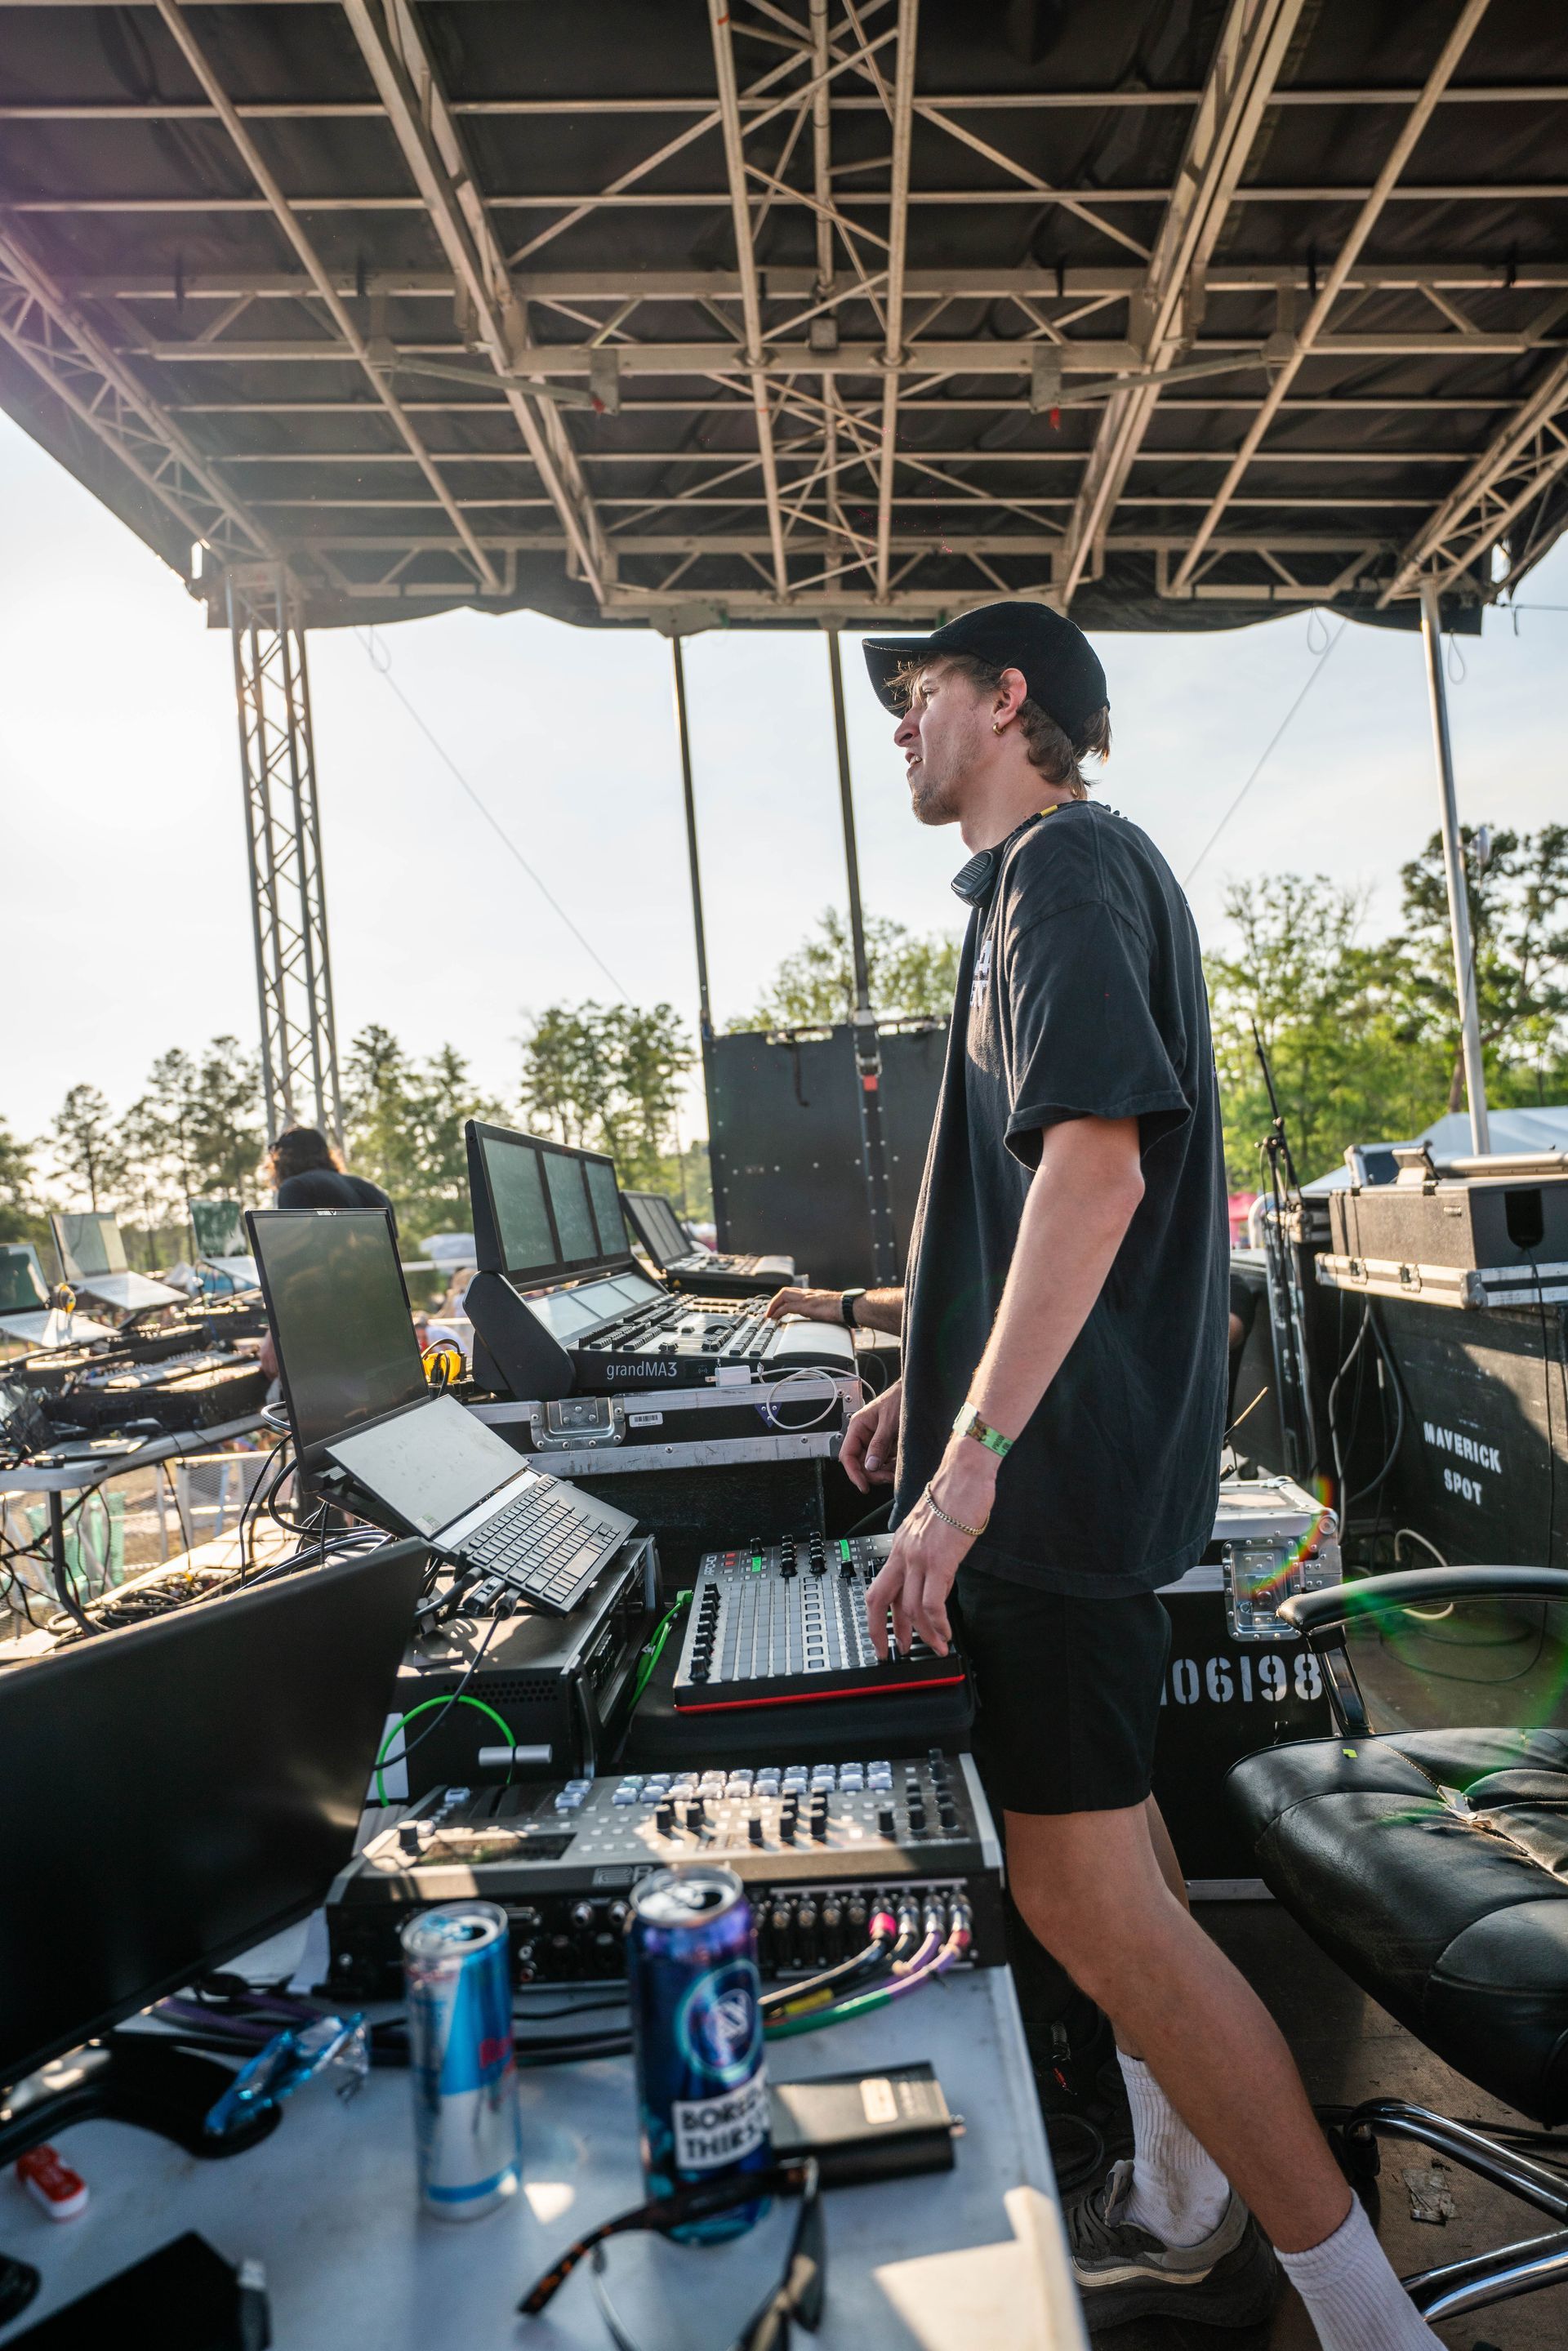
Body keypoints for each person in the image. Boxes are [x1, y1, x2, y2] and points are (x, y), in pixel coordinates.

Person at [836, 603, 1442, 2350]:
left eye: (919, 692)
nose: (899, 727)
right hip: (1078, 1471)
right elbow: (1043, 1214)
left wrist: (964, 1471)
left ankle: (1362, 2310)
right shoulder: (1057, 883)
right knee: (1116, 1854)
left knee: (1079, 1891)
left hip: (1061, 1492)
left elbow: (1093, 1175)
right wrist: (922, 1384)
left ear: (1008, 695)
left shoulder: (1065, 869)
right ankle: (1184, 2188)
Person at [266, 1128, 395, 1228]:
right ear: (327, 1154)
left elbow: (298, 1249)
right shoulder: (374, 1190)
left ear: (283, 1159)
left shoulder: (295, 1187)